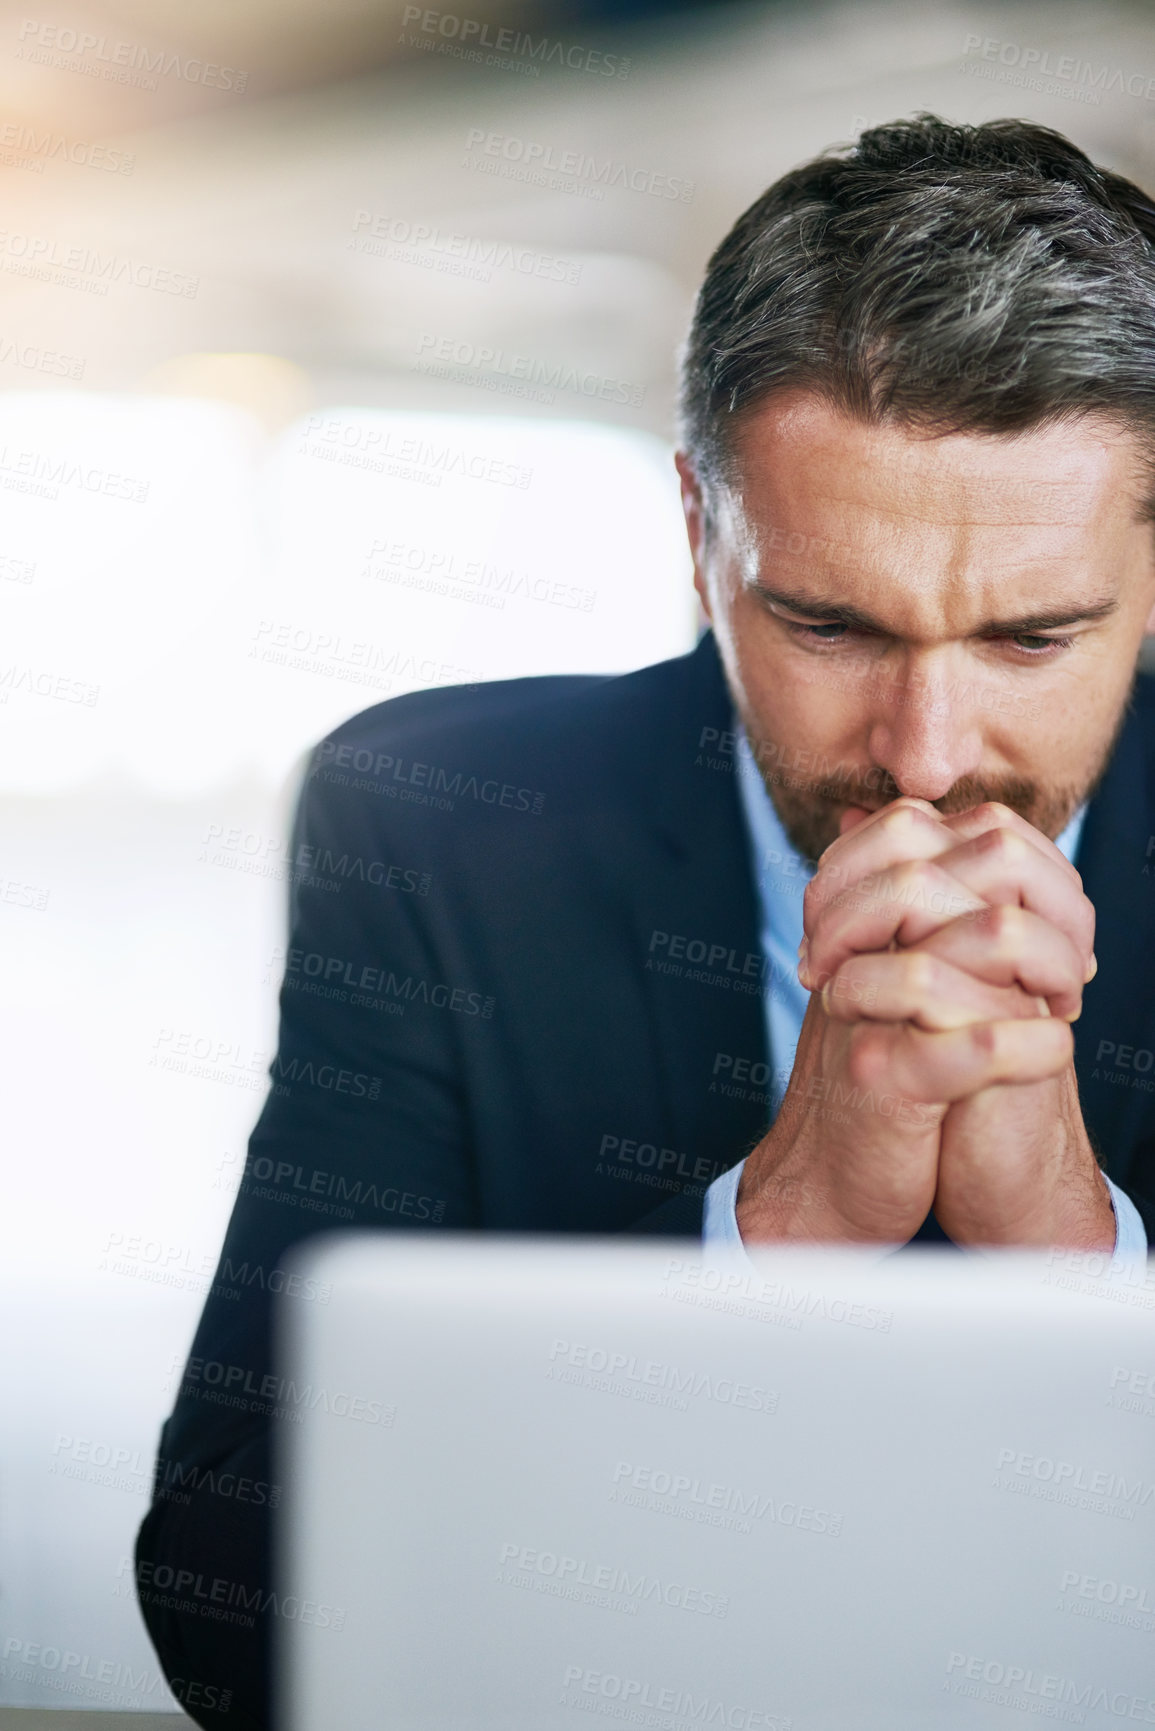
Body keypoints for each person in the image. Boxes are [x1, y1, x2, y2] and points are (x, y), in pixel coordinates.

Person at [136, 114, 1155, 1731]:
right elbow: (233, 1608)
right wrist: (779, 1225)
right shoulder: (439, 829)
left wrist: (1082, 1265)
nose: (930, 755)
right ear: (699, 534)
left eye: (1034, 637)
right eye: (828, 623)